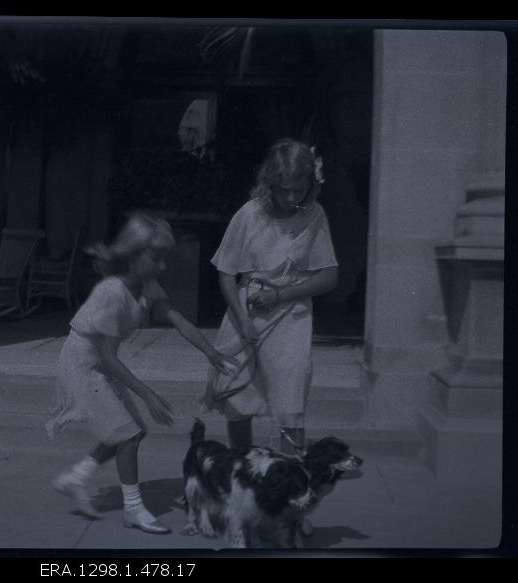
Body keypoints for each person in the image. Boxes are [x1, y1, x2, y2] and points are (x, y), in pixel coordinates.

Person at [46, 212, 238, 534]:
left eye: (165, 258)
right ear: (133, 255)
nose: (163, 266)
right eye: (157, 257)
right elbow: (106, 357)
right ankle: (133, 509)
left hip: (99, 361)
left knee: (126, 432)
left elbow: (177, 319)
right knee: (129, 434)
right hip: (82, 363)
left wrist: (212, 352)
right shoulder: (111, 292)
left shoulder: (146, 285)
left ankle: (75, 478)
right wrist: (148, 394)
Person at [204, 139, 338, 456]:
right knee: (238, 397)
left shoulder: (314, 215)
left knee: (291, 396)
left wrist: (280, 293)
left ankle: (291, 471)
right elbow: (226, 273)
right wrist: (241, 319)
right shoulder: (249, 215)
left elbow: (329, 276)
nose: (291, 198)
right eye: (284, 190)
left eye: (299, 190)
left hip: (291, 315)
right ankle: (242, 464)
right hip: (245, 312)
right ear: (270, 182)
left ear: (311, 184)